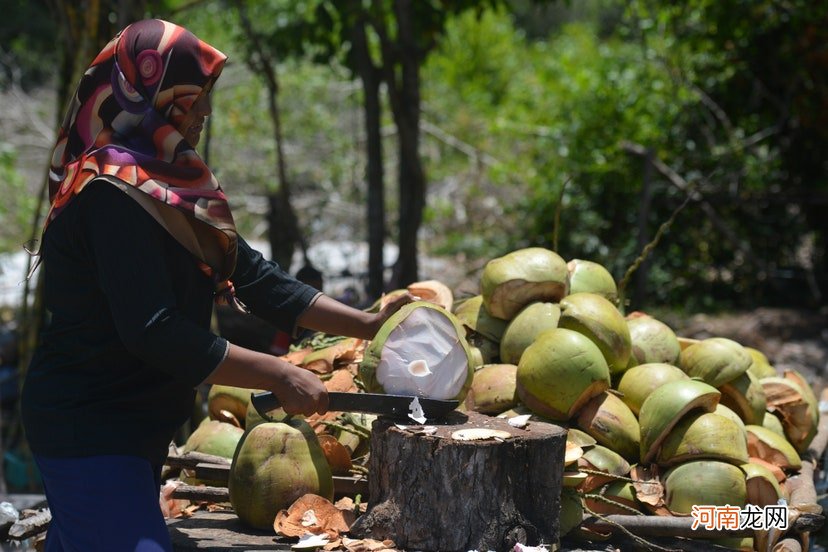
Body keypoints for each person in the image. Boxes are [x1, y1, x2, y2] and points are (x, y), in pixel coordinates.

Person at [20, 19, 412, 552]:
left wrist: (370, 323)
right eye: (193, 97)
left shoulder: (168, 181)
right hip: (90, 427)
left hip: (136, 427)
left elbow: (253, 274)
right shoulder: (109, 194)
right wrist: (275, 370)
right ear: (149, 94)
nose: (204, 111)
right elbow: (153, 330)